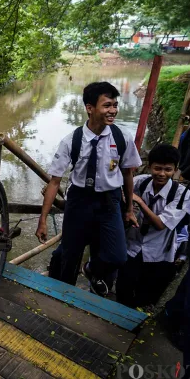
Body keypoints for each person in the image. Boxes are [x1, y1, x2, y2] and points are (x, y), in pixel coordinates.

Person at [36, 82, 142, 296]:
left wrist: (129, 208)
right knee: (69, 254)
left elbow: (128, 174)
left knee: (117, 256)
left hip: (109, 201)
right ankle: (63, 296)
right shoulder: (72, 140)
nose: (112, 111)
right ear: (90, 108)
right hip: (79, 201)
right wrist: (43, 219)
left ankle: (92, 270)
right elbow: (54, 182)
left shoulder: (122, 138)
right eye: (106, 106)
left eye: (114, 105)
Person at [116, 144, 190, 308]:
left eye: (168, 169)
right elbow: (120, 191)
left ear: (175, 170)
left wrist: (139, 201)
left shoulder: (182, 194)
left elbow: (160, 225)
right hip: (132, 246)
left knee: (146, 298)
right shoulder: (139, 182)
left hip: (159, 254)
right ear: (149, 167)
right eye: (157, 168)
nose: (162, 174)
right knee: (123, 289)